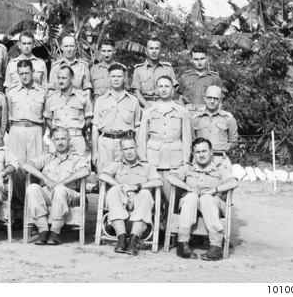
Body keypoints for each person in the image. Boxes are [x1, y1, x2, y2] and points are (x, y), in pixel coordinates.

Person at [168, 138, 239, 261]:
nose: (201, 155)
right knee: (191, 196)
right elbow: (171, 177)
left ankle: (216, 246)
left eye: (204, 151)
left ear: (211, 152)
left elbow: (233, 182)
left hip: (212, 205)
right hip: (190, 207)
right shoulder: (188, 167)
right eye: (198, 152)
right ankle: (182, 245)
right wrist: (188, 188)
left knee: (206, 198)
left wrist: (214, 190)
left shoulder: (220, 168)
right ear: (193, 154)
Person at [22, 127, 90, 246]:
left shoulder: (77, 157)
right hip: (49, 193)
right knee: (32, 188)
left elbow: (85, 171)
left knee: (59, 189)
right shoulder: (47, 157)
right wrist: (45, 179)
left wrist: (63, 182)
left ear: (69, 140)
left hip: (70, 195)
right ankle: (43, 230)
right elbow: (27, 166)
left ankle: (55, 232)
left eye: (63, 139)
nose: (60, 142)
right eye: (57, 139)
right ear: (53, 141)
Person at [98, 137, 163, 255]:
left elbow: (159, 181)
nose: (129, 152)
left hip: (140, 201)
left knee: (145, 193)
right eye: (126, 149)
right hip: (122, 201)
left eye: (131, 148)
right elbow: (102, 175)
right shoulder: (117, 164)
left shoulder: (147, 166)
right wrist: (123, 187)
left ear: (136, 148)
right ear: (121, 151)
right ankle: (121, 238)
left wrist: (137, 187)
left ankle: (133, 240)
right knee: (113, 190)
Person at [137, 76, 191, 204]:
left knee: (171, 196)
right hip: (152, 158)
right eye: (160, 86)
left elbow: (187, 138)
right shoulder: (148, 110)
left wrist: (185, 160)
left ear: (172, 89)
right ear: (156, 89)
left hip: (174, 158)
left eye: (167, 86)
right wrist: (143, 159)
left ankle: (169, 216)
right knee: (151, 195)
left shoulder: (182, 110)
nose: (164, 89)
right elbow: (142, 137)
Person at [5, 59, 48, 217]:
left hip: (36, 130)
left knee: (35, 169)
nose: (24, 76)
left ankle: (33, 213)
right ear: (17, 74)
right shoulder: (11, 92)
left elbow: (46, 116)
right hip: (17, 130)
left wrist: (38, 131)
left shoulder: (43, 92)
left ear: (33, 72)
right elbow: (8, 116)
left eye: (27, 73)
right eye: (21, 73)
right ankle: (18, 213)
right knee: (17, 170)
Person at [92, 63, 141, 173]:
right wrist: (95, 152)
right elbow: (95, 128)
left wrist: (136, 149)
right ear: (108, 78)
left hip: (125, 144)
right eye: (113, 76)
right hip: (105, 144)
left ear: (124, 79)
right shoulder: (100, 100)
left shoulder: (133, 100)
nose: (116, 79)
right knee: (104, 176)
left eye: (119, 76)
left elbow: (137, 127)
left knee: (125, 175)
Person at [44, 65, 94, 155]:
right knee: (55, 163)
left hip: (76, 139)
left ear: (72, 79)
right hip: (58, 139)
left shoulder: (82, 97)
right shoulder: (51, 97)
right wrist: (56, 132)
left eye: (64, 78)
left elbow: (89, 117)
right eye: (58, 78)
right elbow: (48, 117)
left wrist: (80, 130)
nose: (60, 81)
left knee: (79, 163)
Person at [191, 86, 238, 166]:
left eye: (215, 98)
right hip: (200, 160)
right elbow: (193, 139)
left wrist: (222, 148)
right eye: (209, 98)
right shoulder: (196, 118)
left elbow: (233, 141)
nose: (212, 101)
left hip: (220, 160)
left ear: (220, 100)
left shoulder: (228, 119)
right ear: (204, 98)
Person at [131, 38, 178, 108]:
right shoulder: (138, 70)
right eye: (151, 48)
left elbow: (173, 92)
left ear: (160, 51)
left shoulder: (168, 69)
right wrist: (148, 107)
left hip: (165, 105)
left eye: (157, 48)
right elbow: (137, 93)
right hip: (144, 106)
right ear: (146, 51)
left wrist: (164, 106)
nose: (154, 51)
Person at [177, 45, 222, 111]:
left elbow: (219, 102)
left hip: (206, 113)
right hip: (188, 113)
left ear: (206, 58)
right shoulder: (184, 77)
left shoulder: (215, 78)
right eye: (196, 59)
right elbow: (180, 100)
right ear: (191, 59)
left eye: (202, 59)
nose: (199, 62)